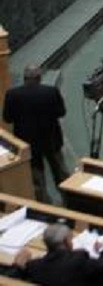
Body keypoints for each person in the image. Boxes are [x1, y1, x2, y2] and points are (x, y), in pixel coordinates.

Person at [3, 65, 68, 202]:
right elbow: (61, 112)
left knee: (37, 180)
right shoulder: (51, 92)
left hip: (28, 143)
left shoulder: (12, 94)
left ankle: (45, 205)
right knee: (60, 172)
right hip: (52, 140)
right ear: (39, 78)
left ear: (24, 78)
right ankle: (70, 201)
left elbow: (7, 118)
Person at [12, 224, 103, 286]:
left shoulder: (34, 266)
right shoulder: (79, 260)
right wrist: (102, 248)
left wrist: (18, 265)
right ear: (66, 242)